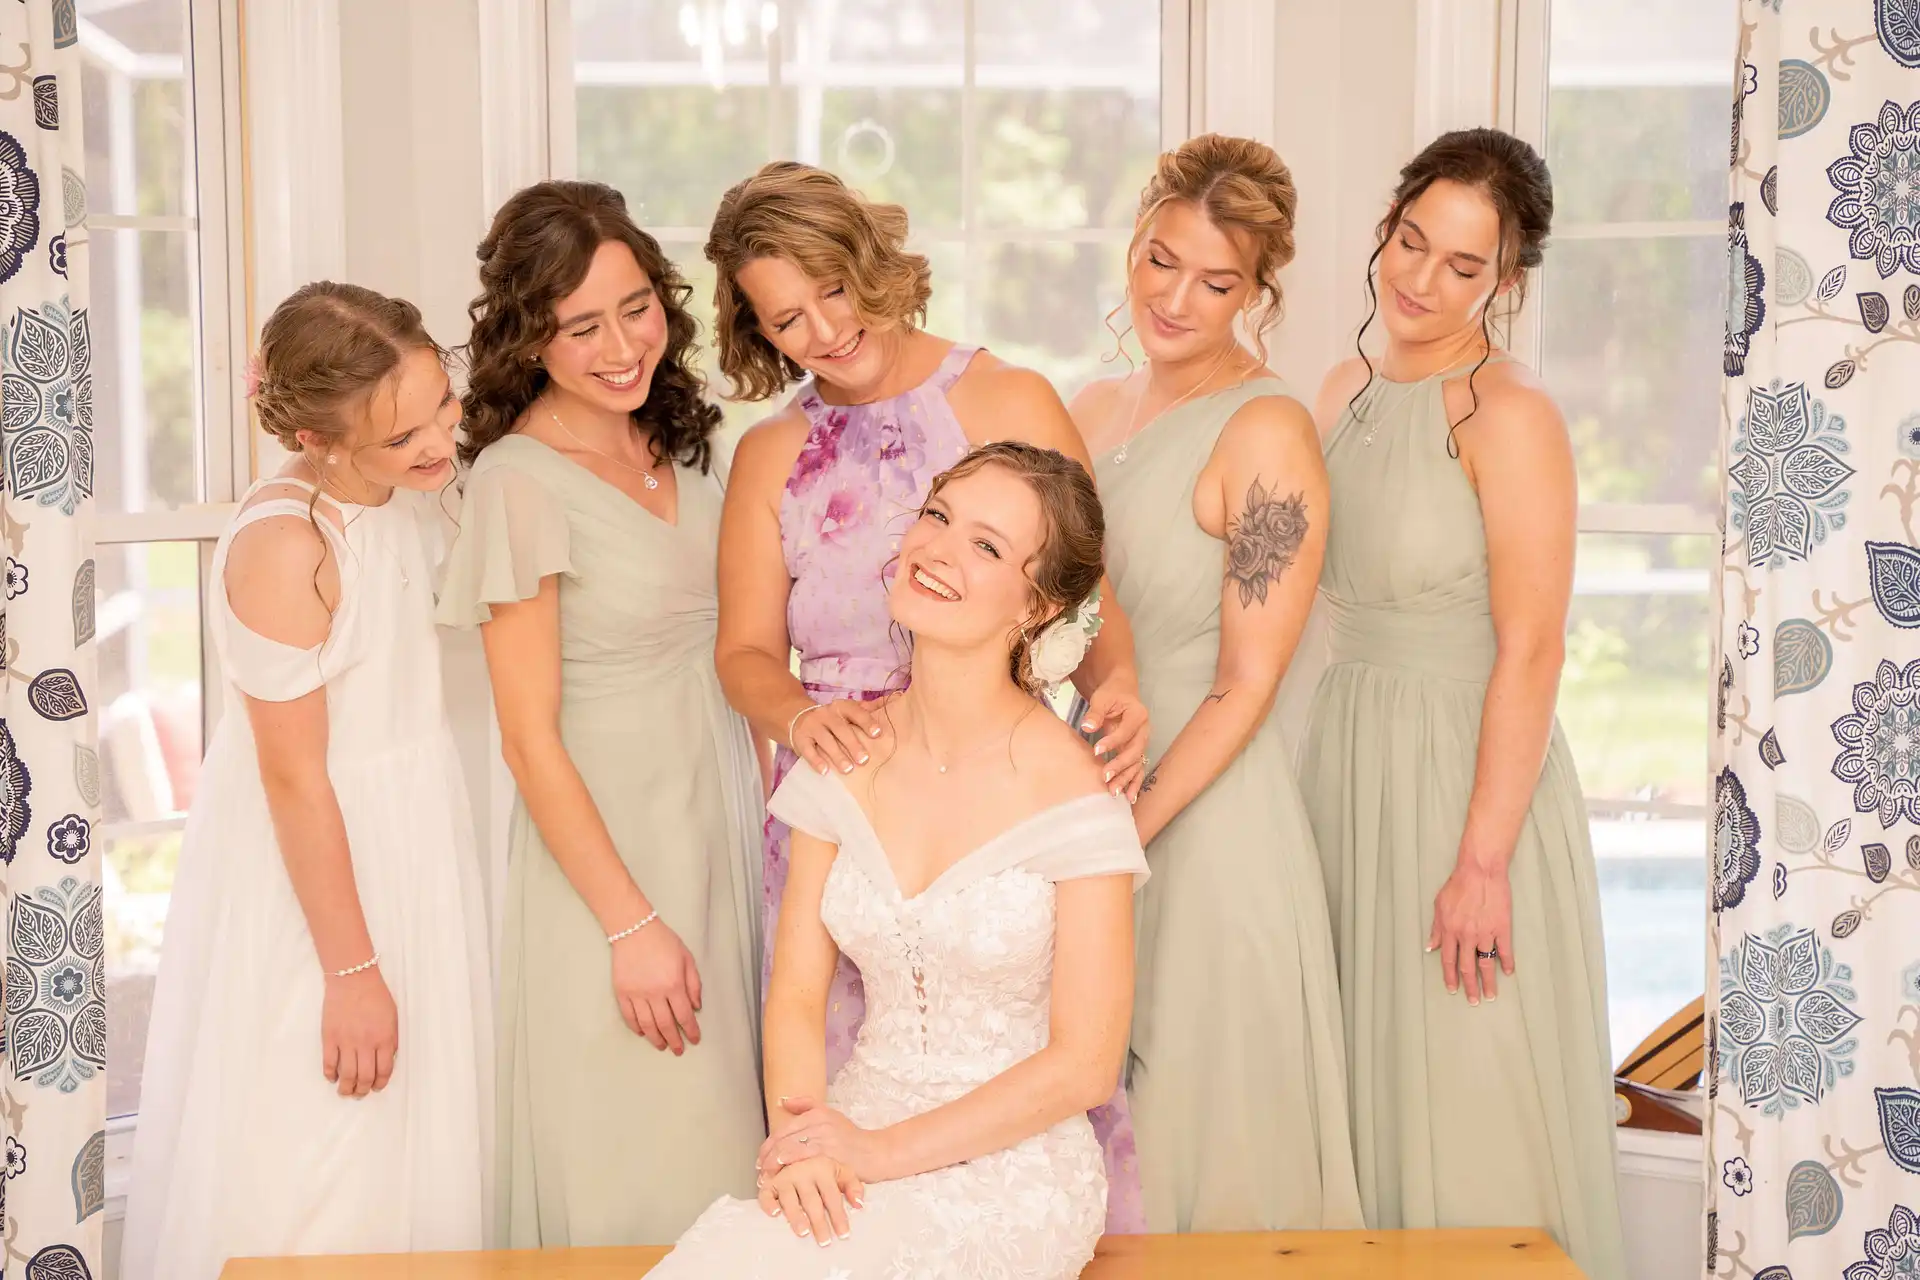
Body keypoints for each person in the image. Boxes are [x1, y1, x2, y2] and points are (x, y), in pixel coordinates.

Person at [707, 160, 1151, 1230]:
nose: (819, 329)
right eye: (783, 320)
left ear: (873, 261)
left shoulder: (1008, 398)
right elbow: (744, 653)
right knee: (829, 1117)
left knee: (1003, 1038)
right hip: (845, 787)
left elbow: (1082, 590)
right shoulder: (772, 453)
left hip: (990, 782)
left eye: (831, 289)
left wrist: (1122, 684)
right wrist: (799, 721)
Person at [653, 442, 1146, 1279]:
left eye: (988, 547)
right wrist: (803, 1142)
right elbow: (799, 997)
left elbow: (1086, 1066)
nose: (940, 549)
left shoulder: (1073, 784)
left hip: (1010, 1166)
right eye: (938, 517)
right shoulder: (842, 754)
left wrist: (882, 1153)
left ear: (1038, 607)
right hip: (848, 1124)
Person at [1299, 128, 1625, 1279]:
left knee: (1471, 1081)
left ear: (1510, 280)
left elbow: (1532, 648)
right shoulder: (1342, 388)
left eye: (1464, 267)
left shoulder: (1511, 414)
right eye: (1410, 242)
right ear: (1386, 227)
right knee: (1371, 1077)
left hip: (1466, 775)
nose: (1420, 282)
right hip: (1347, 756)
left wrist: (1481, 857)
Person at [122, 283, 491, 1278]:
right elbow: (295, 783)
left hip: (408, 842)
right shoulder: (290, 546)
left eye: (441, 407)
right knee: (321, 1160)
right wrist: (352, 970)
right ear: (316, 438)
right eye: (400, 436)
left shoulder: (395, 493)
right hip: (322, 884)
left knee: (410, 1154)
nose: (435, 444)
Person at [438, 180, 764, 1244]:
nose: (623, 344)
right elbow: (527, 737)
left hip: (717, 830)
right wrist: (629, 925)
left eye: (637, 306)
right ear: (532, 336)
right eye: (581, 325)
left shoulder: (678, 442)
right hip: (609, 867)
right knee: (643, 1160)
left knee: (731, 1169)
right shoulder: (519, 482)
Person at [1067, 133, 1362, 1233]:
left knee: (1205, 1123)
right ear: (1134, 244)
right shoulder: (1091, 411)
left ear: (1258, 289)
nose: (1178, 298)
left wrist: (1130, 827)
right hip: (1093, 788)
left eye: (1218, 280)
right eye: (1160, 260)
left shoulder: (1270, 429)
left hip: (1209, 815)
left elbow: (1246, 683)